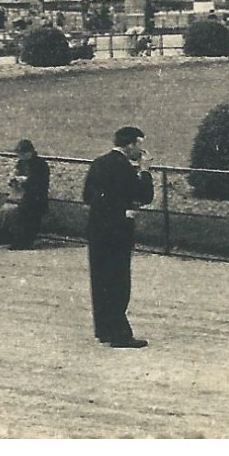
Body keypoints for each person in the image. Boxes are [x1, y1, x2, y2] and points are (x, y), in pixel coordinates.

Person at [81, 125, 155, 348]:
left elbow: (88, 196)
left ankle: (104, 329)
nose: (141, 152)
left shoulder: (99, 163)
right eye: (139, 146)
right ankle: (120, 334)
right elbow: (145, 195)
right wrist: (145, 170)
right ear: (131, 144)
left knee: (101, 280)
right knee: (118, 283)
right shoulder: (125, 168)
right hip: (118, 231)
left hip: (97, 230)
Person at [0, 139, 51, 250]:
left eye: (22, 154)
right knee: (4, 211)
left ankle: (21, 241)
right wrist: (13, 180)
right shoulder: (21, 163)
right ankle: (1, 238)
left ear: (29, 152)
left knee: (19, 211)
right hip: (20, 196)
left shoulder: (40, 165)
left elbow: (40, 184)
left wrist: (26, 181)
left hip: (35, 198)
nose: (20, 156)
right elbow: (15, 175)